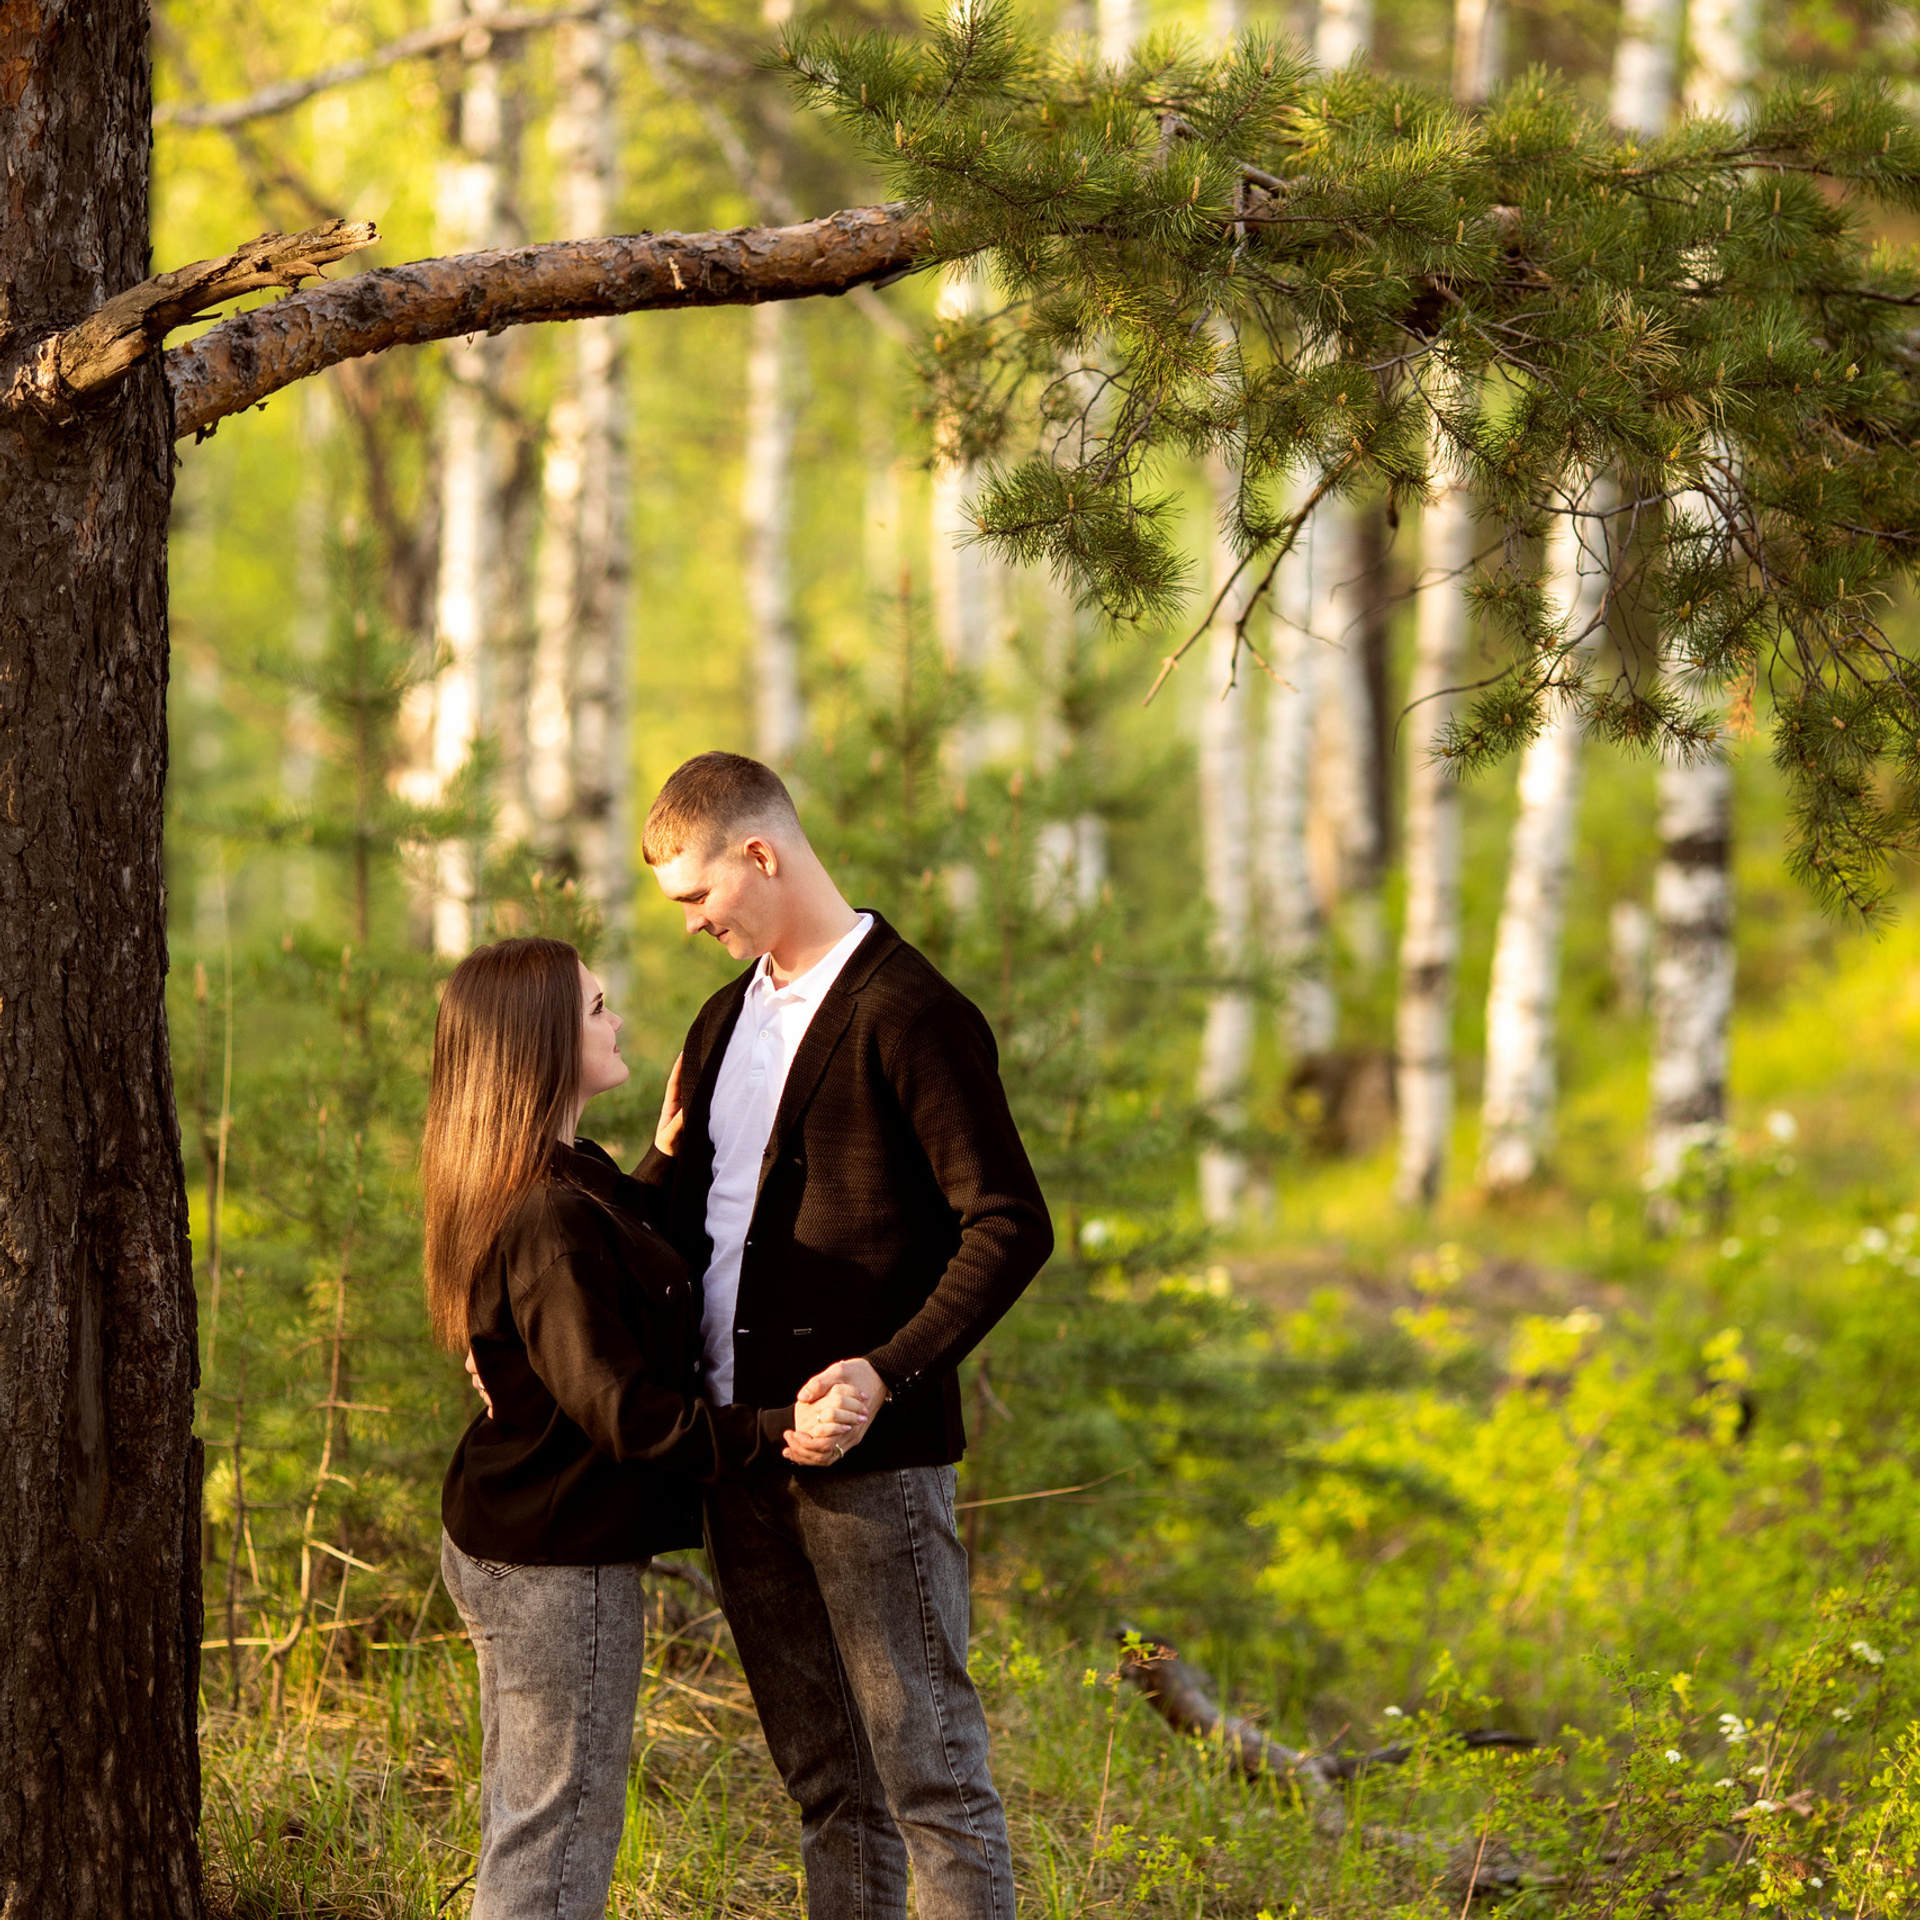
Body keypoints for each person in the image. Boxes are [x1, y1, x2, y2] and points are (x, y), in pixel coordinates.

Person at [637, 751, 1054, 1920]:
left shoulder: (912, 1013)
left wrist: (887, 1369)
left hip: (872, 1468)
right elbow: (682, 1227)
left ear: (759, 854)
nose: (690, 926)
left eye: (696, 897)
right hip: (740, 1456)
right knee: (830, 1788)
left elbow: (1011, 1224)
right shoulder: (722, 1022)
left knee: (932, 1782)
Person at [428, 935, 869, 1920]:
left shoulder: (568, 1173)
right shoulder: (544, 1210)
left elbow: (640, 1251)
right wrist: (769, 1431)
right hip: (553, 1560)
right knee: (556, 1833)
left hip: (528, 1536)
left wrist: (668, 1155)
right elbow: (624, 1412)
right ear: (539, 1043)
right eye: (593, 1010)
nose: (615, 1019)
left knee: (538, 1818)